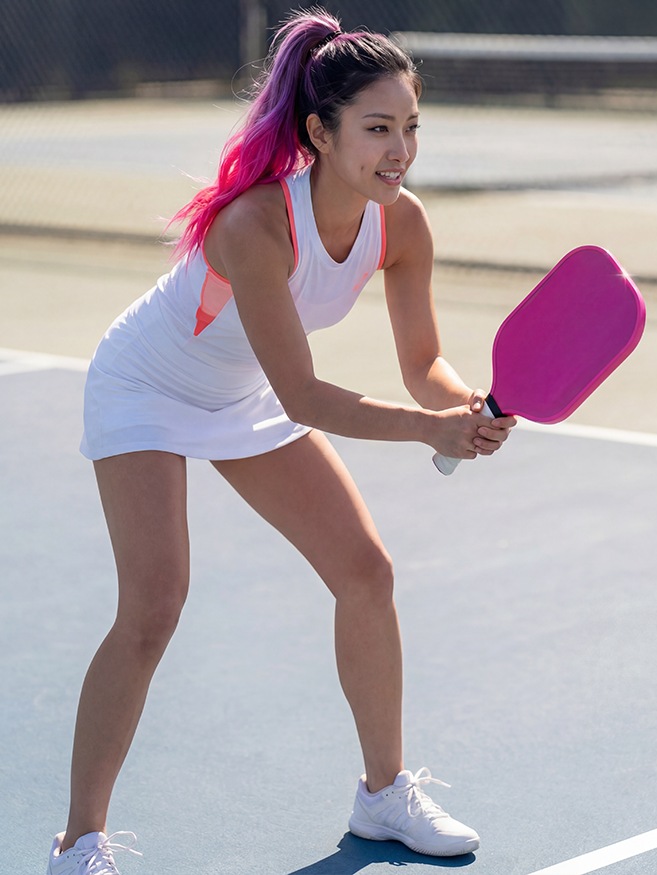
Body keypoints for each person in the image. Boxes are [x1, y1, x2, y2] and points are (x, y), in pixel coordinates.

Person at [46, 8, 515, 874]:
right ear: (319, 133)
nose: (399, 149)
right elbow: (304, 392)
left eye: (410, 127)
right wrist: (430, 431)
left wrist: (468, 406)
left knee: (366, 570)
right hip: (146, 385)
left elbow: (425, 367)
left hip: (242, 393)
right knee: (154, 605)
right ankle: (79, 843)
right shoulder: (255, 226)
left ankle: (383, 794)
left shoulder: (401, 225)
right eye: (377, 129)